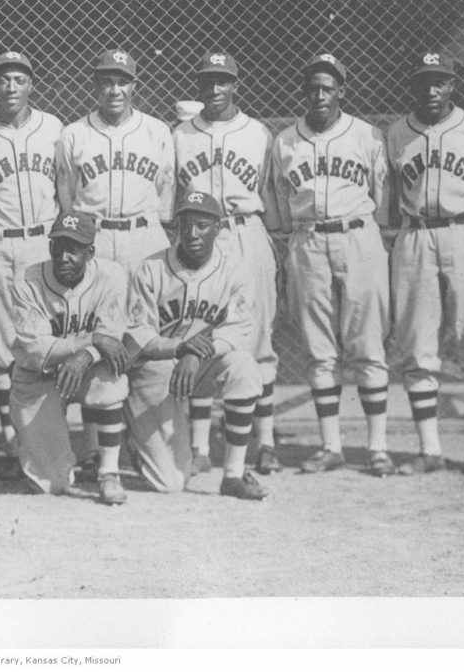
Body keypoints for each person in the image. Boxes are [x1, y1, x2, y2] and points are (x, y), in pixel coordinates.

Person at [265, 52, 395, 476]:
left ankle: (377, 446)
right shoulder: (285, 141)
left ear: (342, 90)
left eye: (328, 87)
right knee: (319, 349)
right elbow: (281, 207)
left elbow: (384, 201)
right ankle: (331, 445)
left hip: (359, 236)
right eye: (312, 87)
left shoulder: (368, 136)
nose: (319, 94)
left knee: (368, 344)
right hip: (307, 239)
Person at [385, 51, 464, 477]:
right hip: (415, 233)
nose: (431, 90)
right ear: (412, 86)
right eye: (423, 82)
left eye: (440, 81)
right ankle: (429, 449)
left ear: (453, 85)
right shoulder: (397, 133)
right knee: (417, 345)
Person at [173, 50, 282, 476]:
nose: (215, 89)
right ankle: (200, 447)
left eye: (224, 81)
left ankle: (266, 441)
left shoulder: (257, 132)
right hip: (200, 236)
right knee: (197, 329)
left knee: (257, 336)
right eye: (207, 81)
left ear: (237, 84)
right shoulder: (181, 135)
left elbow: (272, 193)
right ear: (197, 86)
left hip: (245, 229)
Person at [124, 191, 268, 500]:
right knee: (170, 483)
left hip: (202, 364)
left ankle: (233, 474)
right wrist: (181, 349)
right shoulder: (151, 268)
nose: (192, 234)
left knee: (244, 368)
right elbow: (138, 334)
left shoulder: (235, 268)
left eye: (202, 225)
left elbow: (240, 330)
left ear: (218, 228)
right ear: (175, 227)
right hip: (155, 369)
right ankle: (137, 437)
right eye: (184, 225)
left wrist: (197, 352)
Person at [0, 50, 63, 473]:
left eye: (19, 79)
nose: (11, 87)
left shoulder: (55, 130)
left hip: (41, 239)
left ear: (31, 85)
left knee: (39, 338)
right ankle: (10, 436)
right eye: (3, 79)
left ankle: (40, 432)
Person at [8, 212, 131, 504]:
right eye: (58, 246)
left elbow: (110, 336)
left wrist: (85, 354)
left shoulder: (111, 274)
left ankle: (109, 471)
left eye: (73, 249)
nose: (63, 256)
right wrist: (91, 340)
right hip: (38, 377)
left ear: (90, 252)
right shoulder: (27, 280)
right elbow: (37, 348)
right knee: (54, 483)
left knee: (110, 368)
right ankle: (50, 452)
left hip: (85, 370)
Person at [55, 49, 174, 278]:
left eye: (123, 82)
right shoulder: (74, 134)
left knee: (144, 307)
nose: (115, 91)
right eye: (107, 83)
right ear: (95, 85)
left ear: (134, 86)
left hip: (144, 236)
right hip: (93, 236)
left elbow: (165, 190)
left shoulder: (157, 131)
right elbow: (67, 195)